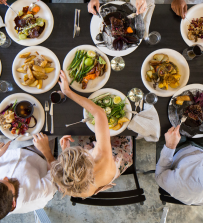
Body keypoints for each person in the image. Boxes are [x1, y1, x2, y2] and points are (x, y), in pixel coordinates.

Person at [35, 70, 133, 198]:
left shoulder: (69, 188)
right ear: (87, 159)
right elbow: (99, 113)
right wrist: (68, 92)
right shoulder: (102, 156)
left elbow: (57, 170)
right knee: (123, 132)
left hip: (94, 175)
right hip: (114, 158)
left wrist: (60, 152)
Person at [0, 133, 57, 221]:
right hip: (37, 151)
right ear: (13, 202)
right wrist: (46, 151)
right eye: (7, 182)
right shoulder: (41, 195)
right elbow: (54, 173)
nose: (5, 177)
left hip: (6, 148)